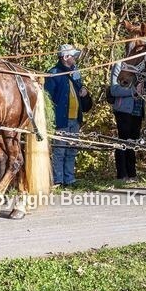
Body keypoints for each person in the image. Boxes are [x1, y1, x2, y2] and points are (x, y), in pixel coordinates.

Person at [45, 45, 90, 186]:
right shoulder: (54, 74)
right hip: (61, 120)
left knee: (72, 150)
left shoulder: (75, 72)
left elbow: (79, 86)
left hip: (75, 118)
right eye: (73, 56)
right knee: (59, 150)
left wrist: (83, 90)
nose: (75, 58)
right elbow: (48, 98)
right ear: (65, 57)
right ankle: (58, 180)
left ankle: (69, 179)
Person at [108, 61, 145, 182]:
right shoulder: (119, 66)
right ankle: (122, 175)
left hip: (138, 110)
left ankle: (132, 173)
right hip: (123, 110)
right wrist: (133, 91)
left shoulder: (141, 66)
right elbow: (114, 90)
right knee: (123, 141)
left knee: (133, 142)